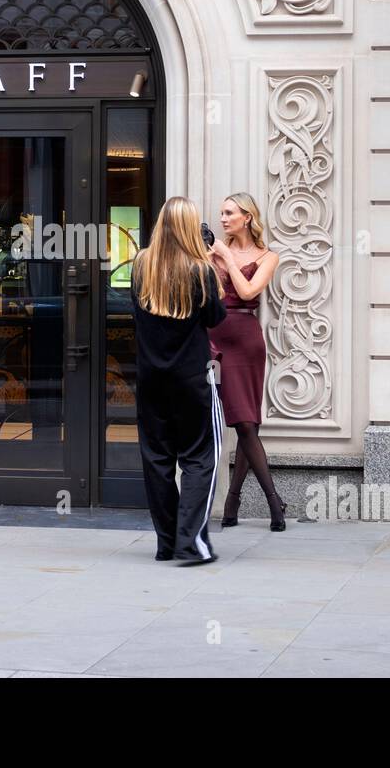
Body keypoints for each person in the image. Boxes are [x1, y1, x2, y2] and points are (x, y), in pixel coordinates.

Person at [130, 196, 227, 564]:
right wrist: (209, 263)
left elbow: (136, 312)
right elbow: (217, 317)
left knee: (157, 458)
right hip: (192, 378)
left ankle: (167, 542)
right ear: (191, 229)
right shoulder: (199, 271)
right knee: (201, 457)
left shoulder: (141, 265)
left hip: (150, 378)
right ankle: (191, 543)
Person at [207, 192, 287, 531]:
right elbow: (209, 294)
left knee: (245, 422)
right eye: (222, 213)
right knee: (243, 423)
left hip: (246, 339)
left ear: (247, 217)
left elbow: (249, 291)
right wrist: (212, 257)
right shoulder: (212, 254)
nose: (223, 219)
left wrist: (226, 255)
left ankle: (270, 502)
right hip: (213, 337)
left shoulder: (269, 256)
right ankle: (236, 501)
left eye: (230, 213)